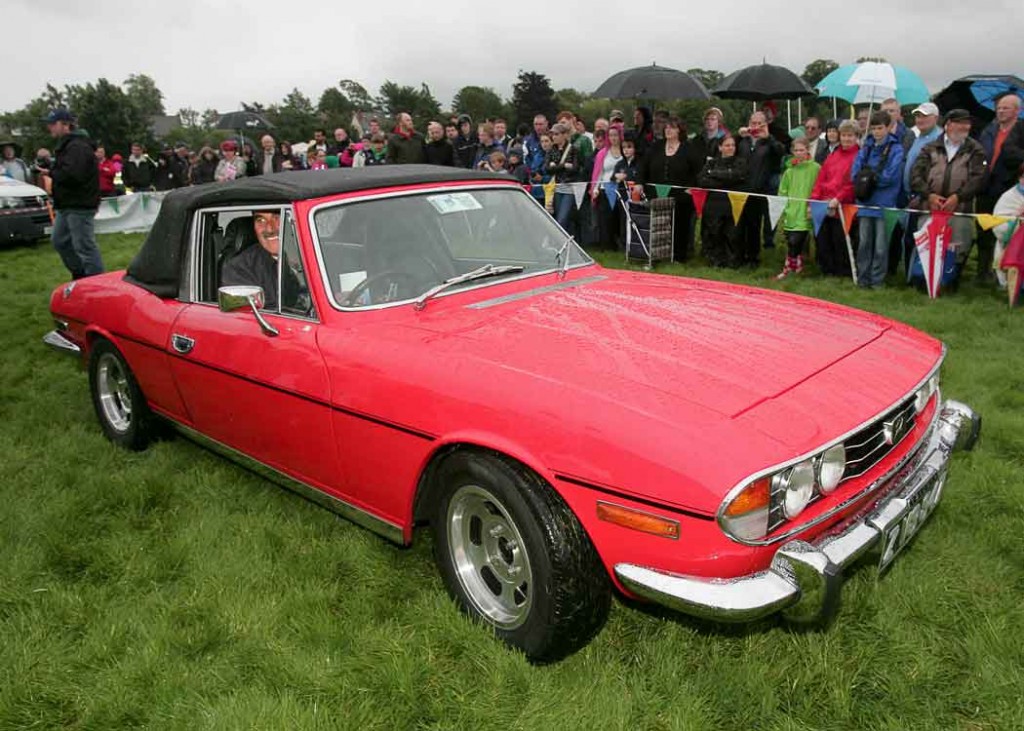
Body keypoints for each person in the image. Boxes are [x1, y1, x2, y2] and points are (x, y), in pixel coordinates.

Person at [910, 108, 987, 278]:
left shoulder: (976, 149)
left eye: (967, 123)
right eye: (961, 123)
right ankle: (923, 282)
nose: (966, 127)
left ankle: (950, 283)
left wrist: (958, 197)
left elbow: (978, 179)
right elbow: (915, 175)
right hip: (930, 207)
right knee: (927, 246)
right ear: (948, 125)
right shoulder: (929, 148)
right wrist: (929, 195)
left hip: (960, 208)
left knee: (957, 248)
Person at [37, 109, 103, 279]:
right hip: (67, 203)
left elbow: (73, 175)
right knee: (59, 241)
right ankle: (80, 275)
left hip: (79, 204)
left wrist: (51, 171)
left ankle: (97, 283)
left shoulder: (77, 146)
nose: (50, 127)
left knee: (84, 246)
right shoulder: (69, 145)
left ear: (65, 125)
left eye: (53, 124)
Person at [852, 111, 905, 288]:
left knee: (881, 246)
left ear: (889, 127)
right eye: (874, 128)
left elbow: (891, 176)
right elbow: (855, 173)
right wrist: (865, 180)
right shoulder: (865, 148)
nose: (876, 132)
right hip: (865, 202)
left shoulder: (896, 148)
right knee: (864, 243)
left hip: (885, 203)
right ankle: (863, 278)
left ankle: (877, 280)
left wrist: (871, 179)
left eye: (880, 128)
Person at [977, 94, 1024, 283]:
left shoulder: (1021, 129)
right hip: (986, 187)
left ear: (1017, 110)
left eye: (1006, 108)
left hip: (1009, 189)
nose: (1001, 111)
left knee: (1007, 232)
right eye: (999, 108)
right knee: (983, 230)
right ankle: (982, 272)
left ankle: (1005, 276)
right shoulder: (990, 129)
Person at [639, 116, 696, 261]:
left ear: (680, 130)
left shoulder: (688, 148)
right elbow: (643, 166)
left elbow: (697, 171)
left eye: (672, 127)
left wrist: (692, 188)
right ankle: (657, 254)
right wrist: (639, 183)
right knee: (658, 225)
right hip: (656, 193)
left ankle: (678, 256)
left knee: (680, 226)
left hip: (681, 196)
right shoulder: (656, 146)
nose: (668, 129)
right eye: (667, 127)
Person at [810, 120, 860, 277]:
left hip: (842, 205)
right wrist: (814, 200)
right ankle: (827, 270)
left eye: (850, 135)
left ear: (856, 137)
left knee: (840, 240)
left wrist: (839, 198)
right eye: (844, 135)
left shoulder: (858, 156)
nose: (846, 139)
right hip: (824, 202)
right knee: (823, 239)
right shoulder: (833, 155)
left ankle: (842, 272)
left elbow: (852, 183)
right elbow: (821, 178)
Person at [736, 111, 785, 267]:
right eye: (753, 123)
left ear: (765, 124)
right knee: (739, 224)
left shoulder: (769, 142)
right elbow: (727, 149)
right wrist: (738, 135)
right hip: (740, 188)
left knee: (754, 225)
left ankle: (752, 258)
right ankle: (738, 256)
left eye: (759, 123)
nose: (755, 126)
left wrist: (768, 138)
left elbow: (781, 152)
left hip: (759, 189)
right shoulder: (743, 141)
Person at [221, 210, 297, 310]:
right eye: (260, 220)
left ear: (292, 221)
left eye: (277, 217)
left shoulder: (318, 251)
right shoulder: (240, 269)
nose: (269, 228)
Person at [697, 134, 747, 267]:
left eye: (733, 145)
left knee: (733, 234)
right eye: (727, 145)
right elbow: (702, 181)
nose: (731, 148)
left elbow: (738, 176)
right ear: (720, 147)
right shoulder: (711, 162)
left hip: (733, 204)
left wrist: (713, 174)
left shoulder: (740, 162)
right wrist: (726, 180)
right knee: (714, 232)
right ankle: (716, 261)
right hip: (714, 203)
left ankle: (733, 262)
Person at [775, 138, 821, 279]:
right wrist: (785, 207)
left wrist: (812, 205)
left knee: (797, 240)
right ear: (792, 151)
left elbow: (819, 186)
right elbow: (783, 190)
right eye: (796, 150)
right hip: (791, 211)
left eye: (802, 150)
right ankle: (797, 266)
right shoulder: (789, 171)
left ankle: (788, 268)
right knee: (790, 241)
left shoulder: (816, 168)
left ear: (807, 150)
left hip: (806, 210)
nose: (799, 153)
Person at [589, 124, 625, 250]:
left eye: (615, 135)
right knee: (605, 220)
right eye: (610, 135)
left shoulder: (625, 150)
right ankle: (607, 246)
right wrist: (595, 189)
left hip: (621, 189)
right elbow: (599, 172)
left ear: (620, 136)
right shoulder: (603, 153)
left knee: (619, 219)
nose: (613, 138)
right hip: (605, 189)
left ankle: (621, 244)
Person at [545, 122, 582, 235]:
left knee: (563, 219)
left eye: (557, 134)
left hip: (569, 188)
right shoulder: (551, 150)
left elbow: (575, 168)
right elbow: (547, 169)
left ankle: (563, 242)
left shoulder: (573, 149)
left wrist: (555, 166)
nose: (554, 137)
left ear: (564, 135)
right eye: (553, 134)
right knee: (557, 218)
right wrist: (563, 166)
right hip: (556, 188)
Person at [992, 161, 1024, 288]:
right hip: (1014, 244)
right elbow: (999, 226)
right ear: (1020, 177)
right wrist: (1018, 219)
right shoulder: (1008, 197)